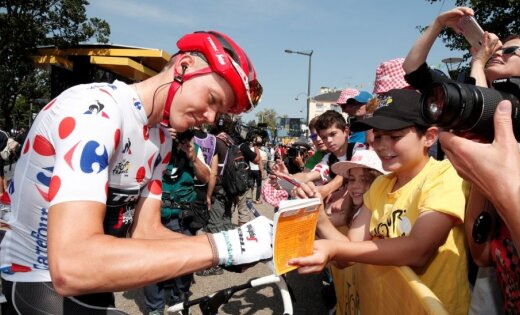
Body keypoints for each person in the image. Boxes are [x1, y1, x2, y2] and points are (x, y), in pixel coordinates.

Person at [0, 30, 273, 314]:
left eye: (221, 112)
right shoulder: (96, 113)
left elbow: (147, 231)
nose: (212, 118)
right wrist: (224, 246)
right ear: (184, 67)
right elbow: (72, 264)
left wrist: (231, 250)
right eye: (213, 99)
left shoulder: (160, 139)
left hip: (93, 281)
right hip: (39, 278)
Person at [290, 89, 471, 315]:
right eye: (377, 135)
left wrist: (335, 249)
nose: (382, 145)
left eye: (395, 137)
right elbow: (351, 248)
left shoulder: (444, 177)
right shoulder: (380, 185)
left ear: (430, 137)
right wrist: (318, 214)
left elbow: (419, 250)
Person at [402, 7, 517, 313]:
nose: (499, 53)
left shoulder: (507, 103)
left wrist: (479, 62)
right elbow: (413, 70)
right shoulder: (473, 90)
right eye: (498, 49)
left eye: (511, 51)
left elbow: (490, 116)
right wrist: (439, 24)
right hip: (484, 241)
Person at [143, 128, 210, 315]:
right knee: (151, 264)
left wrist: (192, 157)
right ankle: (155, 309)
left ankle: (178, 302)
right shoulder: (151, 143)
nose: (179, 137)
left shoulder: (193, 149)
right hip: (154, 215)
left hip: (183, 217)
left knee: (185, 264)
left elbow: (206, 177)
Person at [320, 149, 386, 315]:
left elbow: (348, 253)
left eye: (364, 180)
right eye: (351, 179)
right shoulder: (356, 209)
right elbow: (333, 220)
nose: (355, 186)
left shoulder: (377, 212)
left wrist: (319, 219)